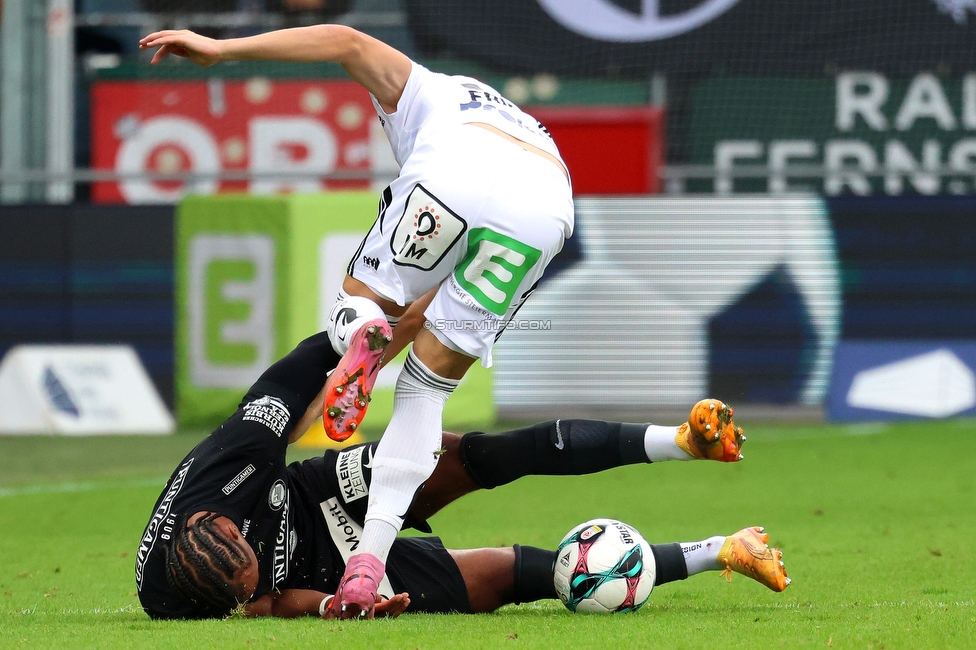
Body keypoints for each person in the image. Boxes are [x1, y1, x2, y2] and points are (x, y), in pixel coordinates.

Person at [140, 23, 577, 617]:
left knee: (364, 311)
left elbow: (344, 41)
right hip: (547, 204)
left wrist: (223, 49)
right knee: (430, 387)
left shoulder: (426, 92)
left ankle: (360, 335)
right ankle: (367, 559)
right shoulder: (499, 112)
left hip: (455, 169)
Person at [134, 330, 788, 621]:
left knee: (483, 458)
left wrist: (353, 342)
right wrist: (336, 606)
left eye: (249, 556)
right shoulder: (178, 599)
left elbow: (288, 378)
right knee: (519, 575)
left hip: (317, 496)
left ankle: (677, 442)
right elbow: (274, 603)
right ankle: (721, 552)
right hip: (326, 574)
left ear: (223, 522)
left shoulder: (230, 464)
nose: (253, 572)